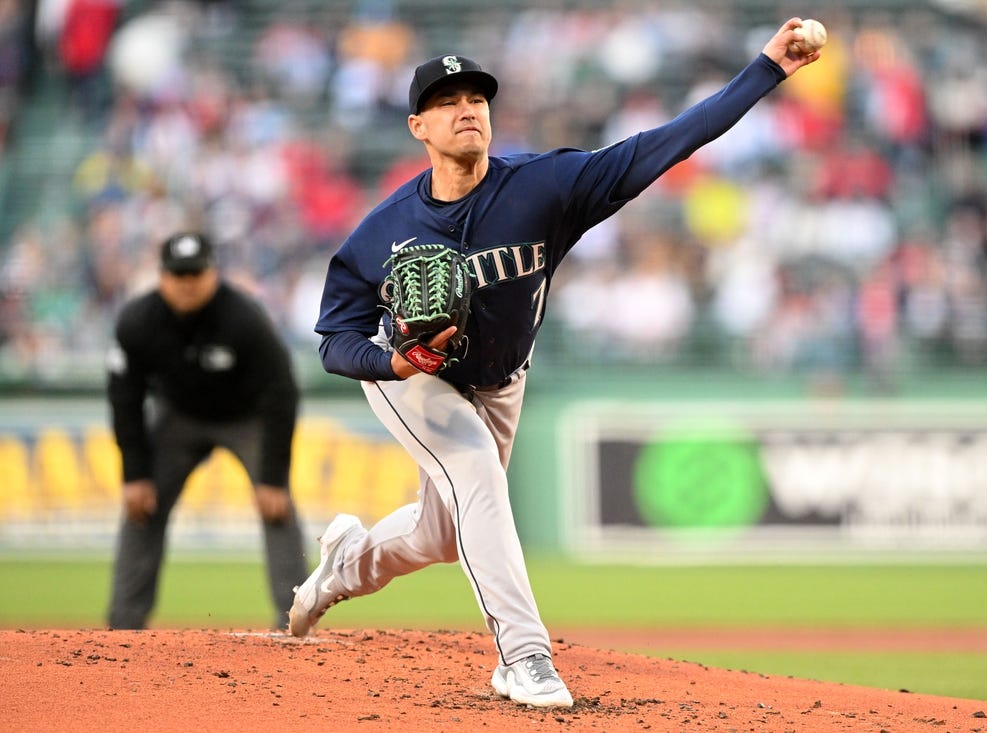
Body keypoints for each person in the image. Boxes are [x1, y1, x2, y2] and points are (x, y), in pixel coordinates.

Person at [289, 19, 822, 708]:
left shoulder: (544, 187)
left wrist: (766, 68)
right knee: (475, 471)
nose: (467, 108)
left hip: (502, 377)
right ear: (418, 125)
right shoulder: (382, 232)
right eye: (449, 100)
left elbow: (667, 143)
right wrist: (393, 362)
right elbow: (334, 337)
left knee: (441, 533)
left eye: (477, 96)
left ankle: (342, 566)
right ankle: (525, 655)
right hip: (416, 378)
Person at [106, 231, 308, 631]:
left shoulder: (244, 317)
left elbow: (282, 391)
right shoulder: (137, 321)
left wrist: (272, 477)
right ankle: (123, 628)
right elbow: (124, 398)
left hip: (247, 418)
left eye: (195, 273)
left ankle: (294, 621)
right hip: (178, 418)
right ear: (161, 276)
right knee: (141, 506)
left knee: (277, 507)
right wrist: (134, 474)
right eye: (178, 274)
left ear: (213, 273)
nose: (187, 283)